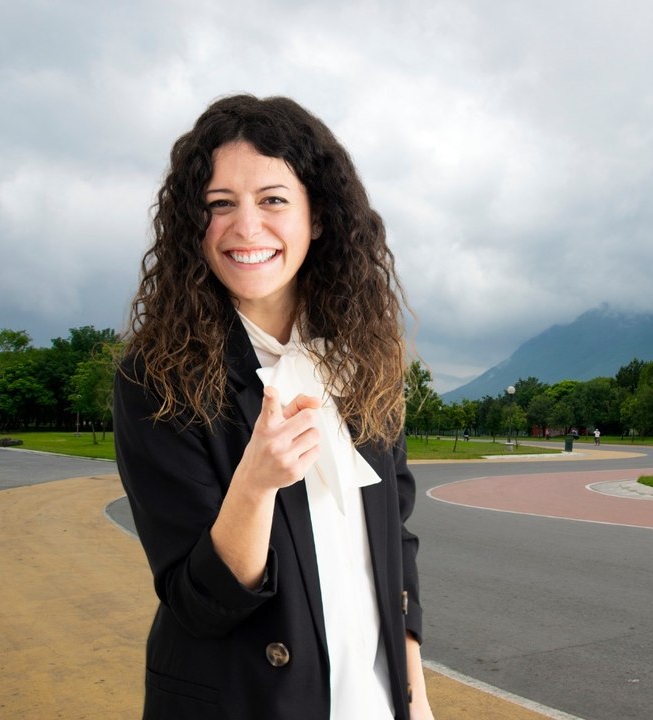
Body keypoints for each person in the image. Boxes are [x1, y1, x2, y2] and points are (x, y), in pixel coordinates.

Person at [114, 94, 433, 720]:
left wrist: (414, 696)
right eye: (219, 204)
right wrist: (255, 485)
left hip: (370, 701)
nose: (246, 228)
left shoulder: (365, 360)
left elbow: (395, 540)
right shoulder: (157, 376)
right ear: (193, 227)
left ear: (317, 217)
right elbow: (197, 604)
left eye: (273, 200)